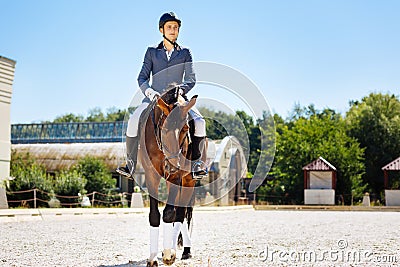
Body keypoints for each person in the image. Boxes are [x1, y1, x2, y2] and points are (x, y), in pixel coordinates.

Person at [117, 12, 208, 180]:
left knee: (200, 122)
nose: (173, 30)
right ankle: (130, 164)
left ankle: (196, 164)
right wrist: (150, 92)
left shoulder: (185, 53)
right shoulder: (151, 52)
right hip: (154, 98)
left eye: (175, 27)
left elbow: (191, 79)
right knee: (133, 120)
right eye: (169, 27)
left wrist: (181, 91)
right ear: (161, 30)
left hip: (178, 98)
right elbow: (142, 77)